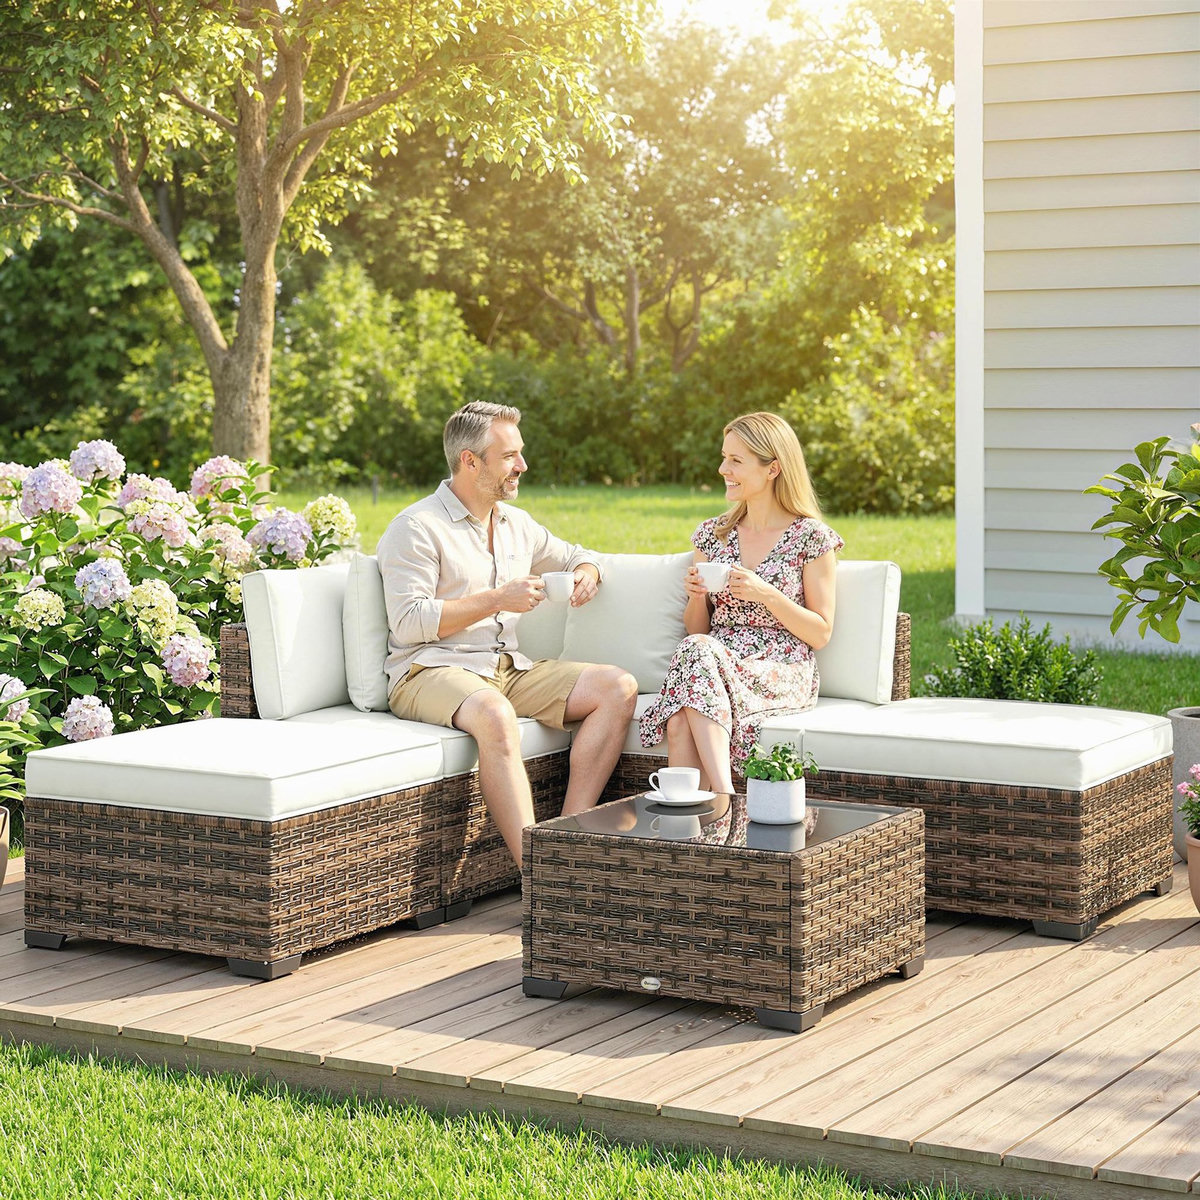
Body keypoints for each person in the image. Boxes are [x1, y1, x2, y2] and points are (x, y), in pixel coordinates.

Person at [377, 401, 638, 866]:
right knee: (495, 715)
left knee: (616, 688)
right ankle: (537, 877)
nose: (522, 465)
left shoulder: (516, 524)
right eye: (509, 456)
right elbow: (410, 621)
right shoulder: (416, 527)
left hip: (504, 669)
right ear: (469, 461)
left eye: (520, 453)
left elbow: (575, 553)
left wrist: (587, 571)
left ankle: (565, 843)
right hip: (429, 669)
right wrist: (498, 598)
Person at [638, 411, 842, 795]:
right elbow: (698, 629)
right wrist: (698, 596)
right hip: (715, 661)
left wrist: (766, 592)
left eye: (735, 460)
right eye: (723, 457)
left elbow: (821, 632)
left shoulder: (811, 537)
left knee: (687, 697)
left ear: (773, 469)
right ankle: (706, 826)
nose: (722, 469)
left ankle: (721, 800)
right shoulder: (713, 535)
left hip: (780, 668)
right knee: (682, 712)